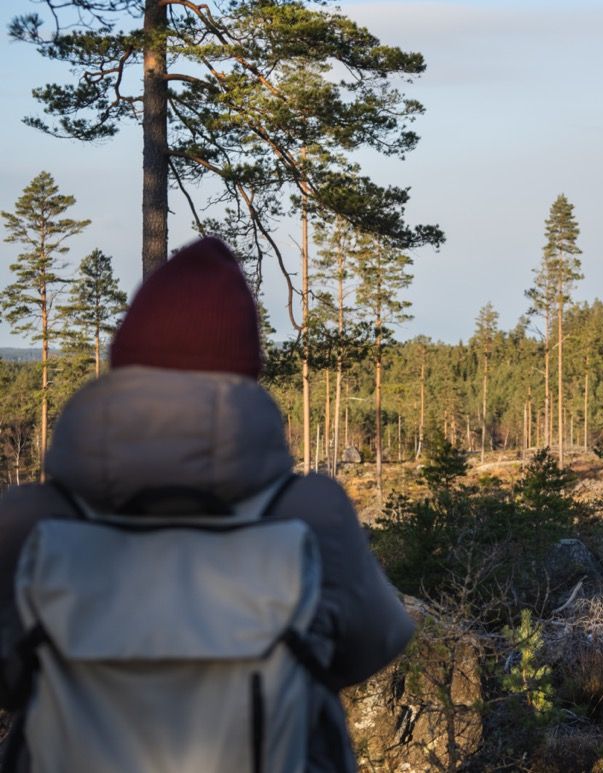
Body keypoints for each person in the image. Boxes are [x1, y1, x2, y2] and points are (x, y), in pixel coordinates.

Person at [0, 237, 414, 771]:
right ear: (246, 369)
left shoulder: (31, 522)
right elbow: (375, 644)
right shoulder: (311, 514)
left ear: (126, 358)